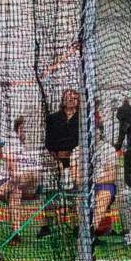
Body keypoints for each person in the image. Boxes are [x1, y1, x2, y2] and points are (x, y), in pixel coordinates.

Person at [0, 116, 42, 245]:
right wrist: (16, 175)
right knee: (16, 191)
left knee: (32, 175)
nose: (25, 132)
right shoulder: (11, 145)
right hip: (10, 185)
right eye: (22, 129)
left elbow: (38, 175)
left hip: (31, 187)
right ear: (17, 131)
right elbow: (11, 171)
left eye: (28, 129)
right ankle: (16, 234)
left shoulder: (37, 147)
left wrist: (20, 176)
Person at [40, 89, 80, 238]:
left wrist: (73, 156)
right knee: (49, 191)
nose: (70, 99)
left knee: (74, 193)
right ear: (63, 100)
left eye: (74, 97)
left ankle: (76, 225)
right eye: (68, 97)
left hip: (76, 160)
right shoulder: (53, 118)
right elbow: (48, 141)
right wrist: (57, 158)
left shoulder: (82, 119)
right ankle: (46, 226)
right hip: (55, 159)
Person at [70, 135, 118, 242]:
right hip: (83, 185)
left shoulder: (108, 149)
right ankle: (85, 230)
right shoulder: (77, 150)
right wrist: (87, 183)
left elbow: (112, 176)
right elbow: (75, 176)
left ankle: (89, 233)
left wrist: (94, 181)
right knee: (80, 198)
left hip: (103, 184)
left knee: (104, 195)